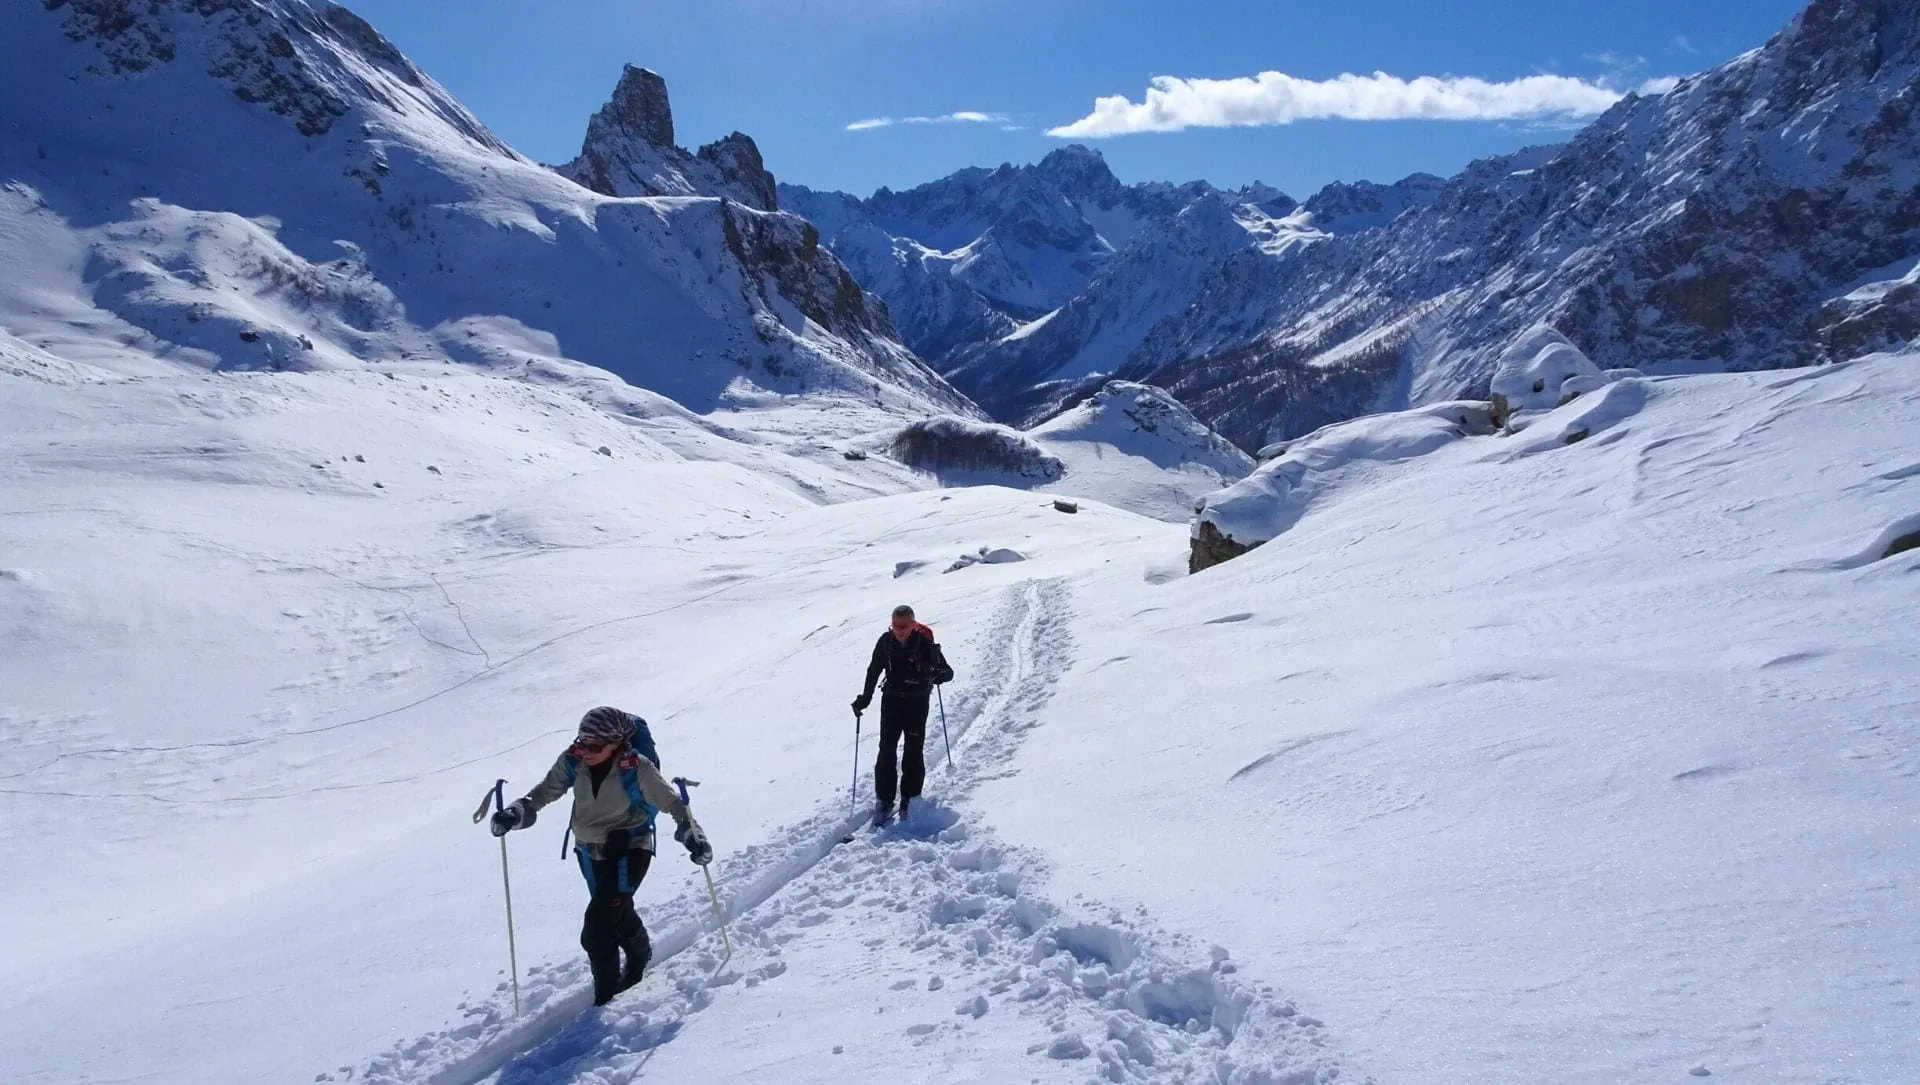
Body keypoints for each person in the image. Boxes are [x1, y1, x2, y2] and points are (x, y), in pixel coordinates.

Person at [490, 706, 714, 1006]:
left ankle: (606, 999)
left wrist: (692, 835)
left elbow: (674, 805)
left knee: (596, 931)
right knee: (615, 913)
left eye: (594, 746)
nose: (585, 750)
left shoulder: (638, 767)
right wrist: (516, 812)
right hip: (588, 852)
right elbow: (544, 792)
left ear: (616, 743)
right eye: (581, 741)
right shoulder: (573, 760)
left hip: (629, 850)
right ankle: (640, 954)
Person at [851, 605, 954, 824]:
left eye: (903, 626)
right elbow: (874, 670)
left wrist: (939, 675)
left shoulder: (924, 643)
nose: (899, 631)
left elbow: (947, 671)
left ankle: (910, 796)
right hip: (892, 700)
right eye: (895, 626)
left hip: (917, 701)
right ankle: (884, 798)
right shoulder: (885, 642)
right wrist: (865, 699)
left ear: (913, 625)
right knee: (886, 749)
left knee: (913, 749)